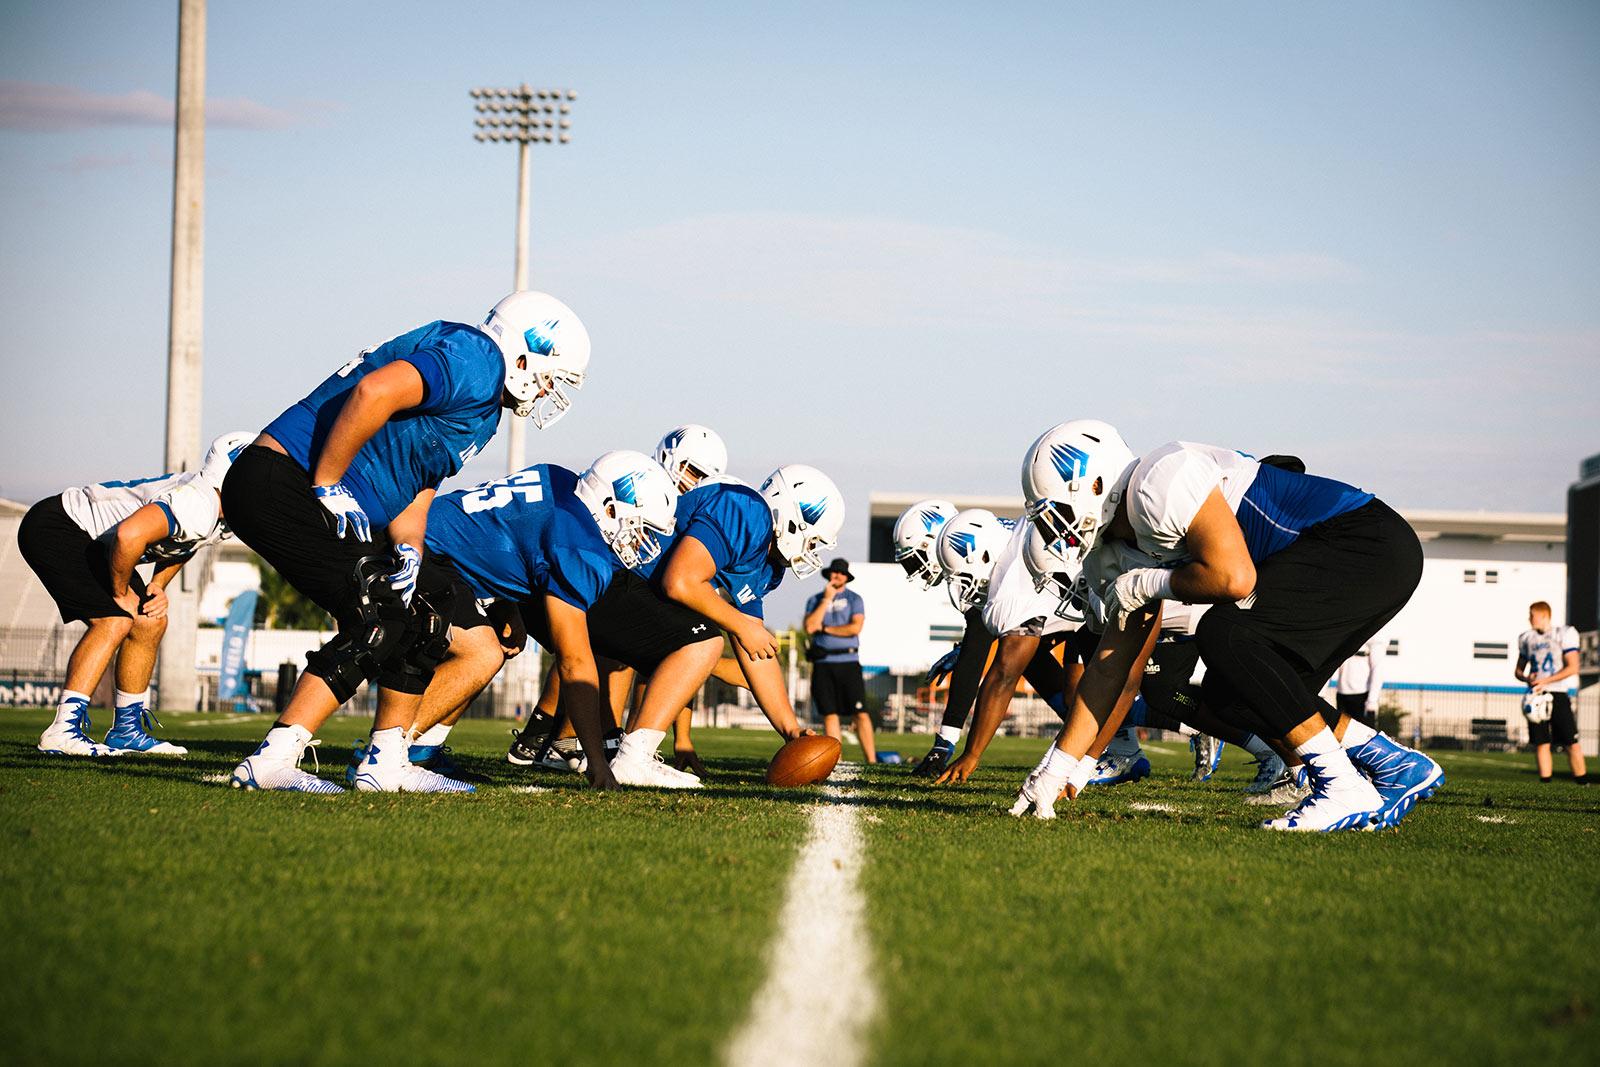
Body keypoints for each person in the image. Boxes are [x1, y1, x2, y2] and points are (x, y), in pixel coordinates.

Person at [226, 290, 590, 793]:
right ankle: (273, 758)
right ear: (525, 355)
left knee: (429, 602)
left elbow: (417, 487)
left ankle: (386, 760)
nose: (549, 390)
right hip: (283, 479)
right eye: (552, 375)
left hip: (323, 493)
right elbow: (373, 392)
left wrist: (409, 548)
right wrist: (328, 481)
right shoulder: (477, 359)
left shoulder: (485, 409)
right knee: (381, 614)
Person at [1013, 420, 1443, 832]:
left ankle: (1342, 785)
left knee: (1224, 634)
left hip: (1364, 542)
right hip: (1343, 557)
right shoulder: (1114, 550)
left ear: (1094, 483)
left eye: (1055, 512)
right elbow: (1113, 667)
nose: (1054, 530)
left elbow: (1235, 579)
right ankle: (1393, 762)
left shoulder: (1156, 481)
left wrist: (1149, 582)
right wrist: (1058, 765)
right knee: (1231, 696)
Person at [20, 431, 254, 756]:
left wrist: (158, 584)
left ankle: (126, 731)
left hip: (97, 542)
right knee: (113, 621)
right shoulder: (201, 501)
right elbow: (130, 536)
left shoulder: (222, 513)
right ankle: (63, 729)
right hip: (61, 525)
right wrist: (118, 593)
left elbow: (187, 542)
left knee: (149, 622)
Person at [805, 557, 874, 763]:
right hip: (823, 662)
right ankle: (837, 759)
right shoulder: (816, 600)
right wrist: (827, 599)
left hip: (848, 661)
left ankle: (871, 760)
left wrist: (825, 629)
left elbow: (854, 628)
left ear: (846, 577)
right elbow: (809, 627)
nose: (837, 576)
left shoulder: (854, 599)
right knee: (830, 713)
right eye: (834, 572)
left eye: (841, 573)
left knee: (860, 712)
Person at [1515, 601, 1587, 784]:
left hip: (1557, 693)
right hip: (1535, 695)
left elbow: (1573, 667)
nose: (1529, 618)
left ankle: (1582, 781)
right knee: (1541, 742)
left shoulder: (1563, 634)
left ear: (1544, 615)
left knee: (1571, 741)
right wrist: (1527, 679)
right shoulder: (1527, 638)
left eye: (1532, 614)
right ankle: (1545, 783)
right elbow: (1518, 671)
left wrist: (1545, 680)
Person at [1333, 634, 1387, 728]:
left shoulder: (1375, 639)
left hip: (1362, 696)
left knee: (1363, 736)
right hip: (1342, 694)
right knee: (1341, 736)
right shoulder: (1347, 633)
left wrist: (1372, 700)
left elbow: (1377, 670)